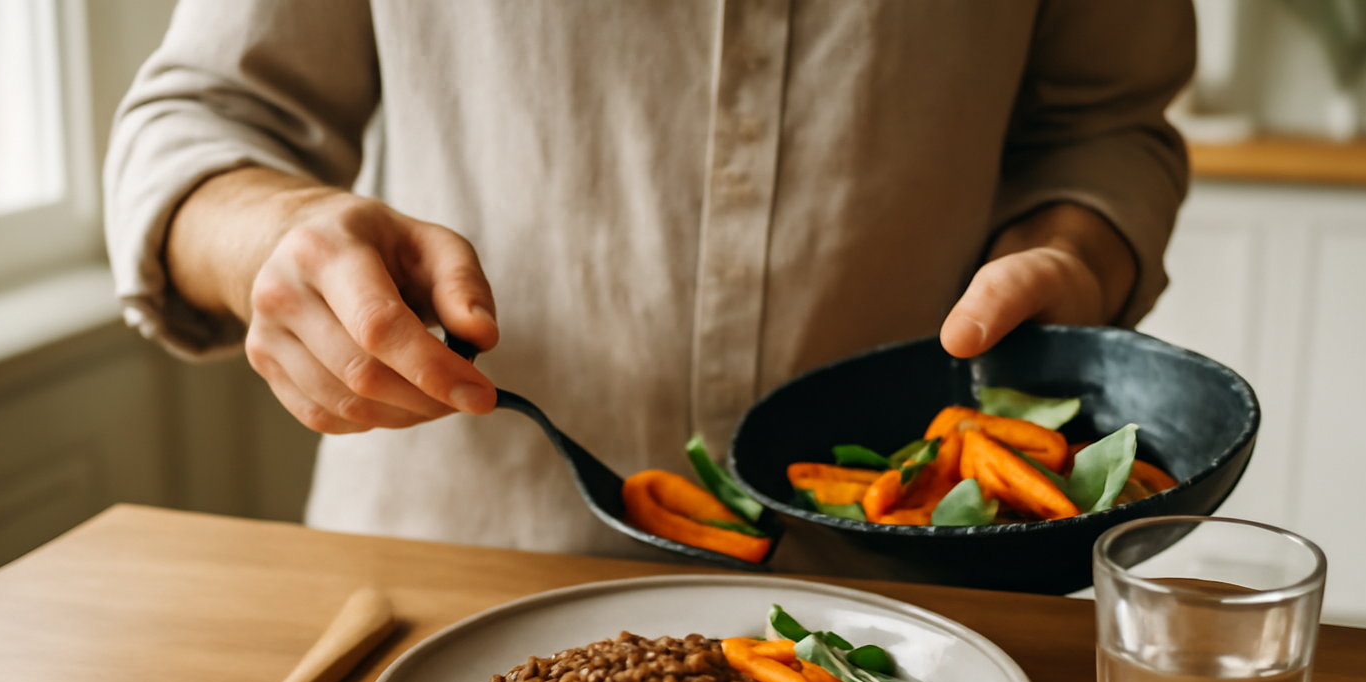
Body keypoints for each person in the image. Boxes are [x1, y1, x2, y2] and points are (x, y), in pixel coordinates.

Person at [105, 1, 1194, 570]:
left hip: (912, 594)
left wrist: (1078, 254)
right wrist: (281, 234)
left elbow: (1106, 126)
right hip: (450, 574)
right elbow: (197, 121)